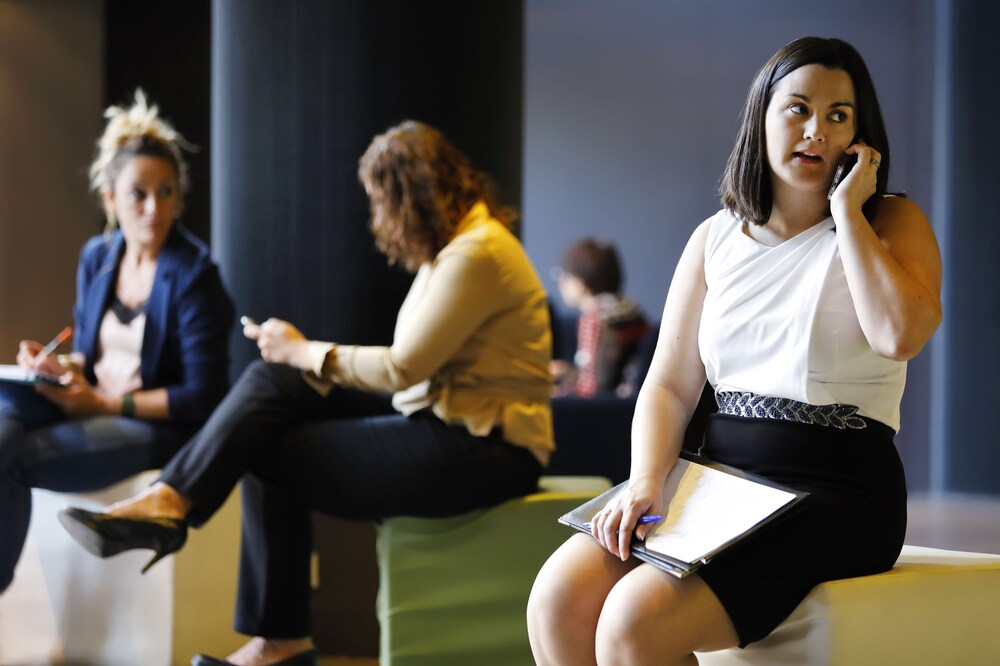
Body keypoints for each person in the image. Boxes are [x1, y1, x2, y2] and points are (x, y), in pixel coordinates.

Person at [59, 120, 554, 666]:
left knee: (267, 440)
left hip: (487, 449)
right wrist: (295, 359)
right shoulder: (457, 250)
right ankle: (172, 506)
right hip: (449, 423)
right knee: (271, 387)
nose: (379, 222)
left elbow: (404, 367)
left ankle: (276, 635)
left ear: (408, 197)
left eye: (381, 204)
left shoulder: (475, 253)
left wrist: (303, 350)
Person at [527, 36, 942, 665]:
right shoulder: (713, 238)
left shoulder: (890, 222)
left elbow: (899, 336)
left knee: (633, 624)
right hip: (716, 478)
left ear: (861, 138)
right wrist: (646, 480)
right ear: (762, 117)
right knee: (557, 598)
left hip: (836, 488)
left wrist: (848, 214)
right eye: (798, 109)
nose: (816, 130)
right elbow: (668, 385)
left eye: (838, 116)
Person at [0, 91, 234, 593]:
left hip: (158, 429)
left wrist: (101, 401)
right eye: (139, 194)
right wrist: (60, 368)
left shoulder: (195, 275)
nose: (154, 208)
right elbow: (92, 353)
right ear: (110, 197)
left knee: (10, 454)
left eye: (166, 192)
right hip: (88, 404)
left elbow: (203, 397)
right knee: (2, 415)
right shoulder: (98, 256)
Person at [551, 237, 649, 397]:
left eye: (564, 274)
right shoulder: (629, 309)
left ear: (580, 282)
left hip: (604, 410)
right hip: (631, 402)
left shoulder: (594, 319)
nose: (561, 282)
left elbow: (592, 388)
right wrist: (567, 371)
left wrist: (558, 393)